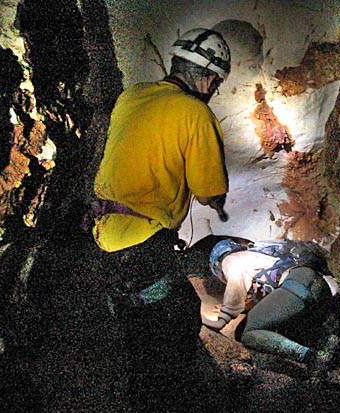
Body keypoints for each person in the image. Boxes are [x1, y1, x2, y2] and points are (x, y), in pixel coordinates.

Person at [90, 28, 232, 410]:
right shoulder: (196, 112)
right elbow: (209, 192)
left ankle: (141, 398)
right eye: (216, 83)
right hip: (142, 243)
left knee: (139, 334)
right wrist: (216, 199)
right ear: (209, 77)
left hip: (103, 237)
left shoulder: (131, 96)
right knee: (175, 325)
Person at [204, 238, 340, 369]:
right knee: (285, 328)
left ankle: (312, 358)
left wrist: (223, 318)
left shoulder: (230, 260)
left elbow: (235, 285)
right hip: (319, 285)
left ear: (217, 265)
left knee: (246, 332)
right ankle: (332, 344)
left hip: (296, 284)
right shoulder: (259, 254)